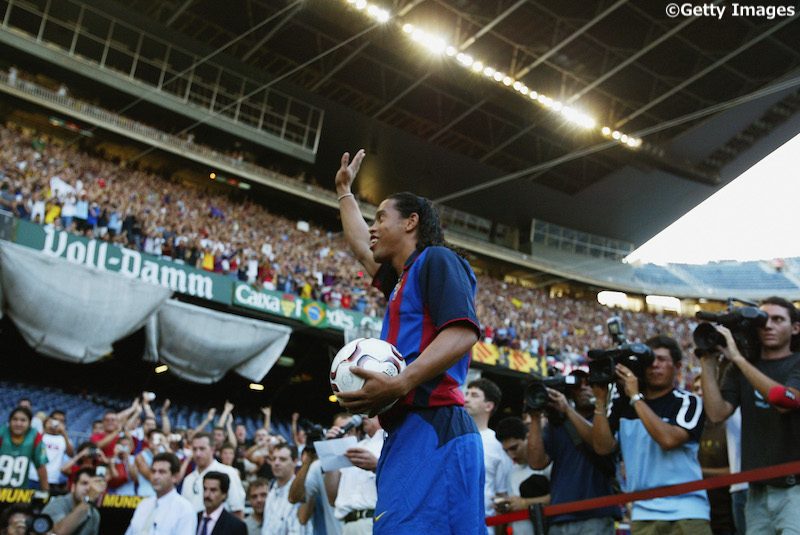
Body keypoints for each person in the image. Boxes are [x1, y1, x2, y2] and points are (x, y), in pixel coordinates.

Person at [334, 149, 484, 533]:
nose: (372, 226)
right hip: (406, 431)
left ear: (411, 222)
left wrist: (401, 382)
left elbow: (464, 332)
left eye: (381, 217)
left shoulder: (437, 260)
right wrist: (344, 192)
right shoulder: (403, 278)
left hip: (435, 424)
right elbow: (362, 249)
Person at [700, 296, 800, 534]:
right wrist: (707, 362)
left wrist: (738, 359)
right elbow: (717, 413)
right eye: (763, 320)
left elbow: (784, 401)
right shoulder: (741, 366)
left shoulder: (797, 362)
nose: (768, 326)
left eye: (778, 320)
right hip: (755, 489)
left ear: (796, 328)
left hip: (795, 487)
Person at [592, 335, 711, 534]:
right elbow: (602, 447)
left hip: (687, 510)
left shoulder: (688, 402)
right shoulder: (623, 405)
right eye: (649, 360)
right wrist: (600, 400)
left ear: (678, 367)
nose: (654, 365)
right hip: (643, 513)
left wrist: (635, 397)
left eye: (662, 360)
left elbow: (668, 440)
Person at [526, 371, 619, 534]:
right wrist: (535, 417)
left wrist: (568, 410)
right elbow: (536, 462)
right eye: (577, 386)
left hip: (596, 515)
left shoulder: (606, 420)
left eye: (590, 384)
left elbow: (601, 445)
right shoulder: (558, 424)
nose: (584, 389)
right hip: (559, 515)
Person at [464, 378, 513, 530]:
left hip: (485, 525)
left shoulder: (498, 444)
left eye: (474, 395)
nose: (466, 399)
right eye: (466, 393)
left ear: (489, 406)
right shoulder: (451, 437)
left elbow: (502, 493)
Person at [324, 416, 383, 535]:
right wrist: (331, 448)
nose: (364, 416)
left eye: (370, 411)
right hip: (348, 525)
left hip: (374, 521)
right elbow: (332, 498)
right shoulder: (354, 447)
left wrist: (376, 466)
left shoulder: (393, 444)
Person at [493, 417, 551, 535]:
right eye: (506, 451)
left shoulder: (548, 464)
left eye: (514, 448)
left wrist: (525, 503)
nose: (511, 455)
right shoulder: (511, 473)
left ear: (527, 438)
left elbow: (560, 498)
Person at [125, 452, 197, 535]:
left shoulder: (184, 509)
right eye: (153, 471)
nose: (156, 476)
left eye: (162, 472)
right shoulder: (143, 505)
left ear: (175, 477)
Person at [182, 432, 246, 517]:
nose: (198, 454)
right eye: (194, 449)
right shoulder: (188, 479)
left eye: (202, 449)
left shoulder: (228, 473)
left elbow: (237, 510)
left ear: (212, 449)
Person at [41, 467, 105, 535]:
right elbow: (59, 532)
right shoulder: (58, 503)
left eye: (92, 486)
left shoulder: (94, 514)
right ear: (73, 487)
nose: (88, 489)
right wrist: (89, 499)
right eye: (84, 483)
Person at [262, 444, 309, 534]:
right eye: (273, 459)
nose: (276, 463)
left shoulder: (300, 493)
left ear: (295, 462)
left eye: (282, 459)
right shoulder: (271, 490)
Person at [0, 407, 48, 490]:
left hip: (20, 494)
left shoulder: (35, 436)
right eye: (15, 419)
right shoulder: (2, 433)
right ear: (9, 421)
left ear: (29, 423)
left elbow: (41, 466)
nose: (18, 423)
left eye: (23, 420)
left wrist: (46, 491)